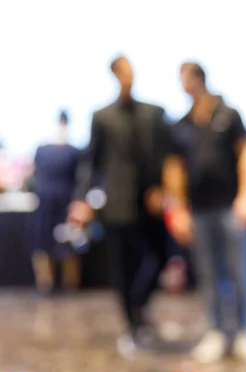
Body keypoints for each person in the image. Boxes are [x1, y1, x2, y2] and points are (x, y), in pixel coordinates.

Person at [163, 62, 246, 363]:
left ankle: (244, 330)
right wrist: (179, 209)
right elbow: (175, 168)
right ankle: (216, 330)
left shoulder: (228, 115)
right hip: (200, 210)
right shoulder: (181, 125)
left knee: (240, 269)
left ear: (199, 80)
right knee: (208, 272)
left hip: (230, 207)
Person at [69, 55, 173, 350]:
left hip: (150, 202)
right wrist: (81, 199)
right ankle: (133, 322)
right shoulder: (102, 117)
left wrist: (163, 188)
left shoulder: (154, 113)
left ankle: (139, 304)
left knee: (161, 256)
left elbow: (167, 155)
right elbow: (91, 162)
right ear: (114, 75)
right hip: (117, 203)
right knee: (122, 267)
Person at [31, 110, 81, 294]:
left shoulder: (73, 151)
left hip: (64, 202)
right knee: (43, 244)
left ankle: (68, 282)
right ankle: (46, 282)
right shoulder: (44, 150)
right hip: (47, 202)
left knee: (68, 242)